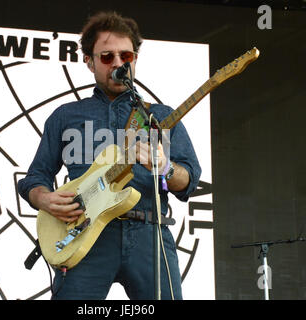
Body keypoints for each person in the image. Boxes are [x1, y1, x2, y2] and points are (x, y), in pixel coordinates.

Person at [18, 11, 201, 300]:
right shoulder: (66, 116)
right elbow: (35, 177)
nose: (118, 64)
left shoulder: (160, 117)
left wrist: (165, 168)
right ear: (89, 62)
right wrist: (44, 199)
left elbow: (189, 180)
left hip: (148, 234)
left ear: (135, 60)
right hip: (84, 235)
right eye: (107, 57)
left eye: (125, 56)